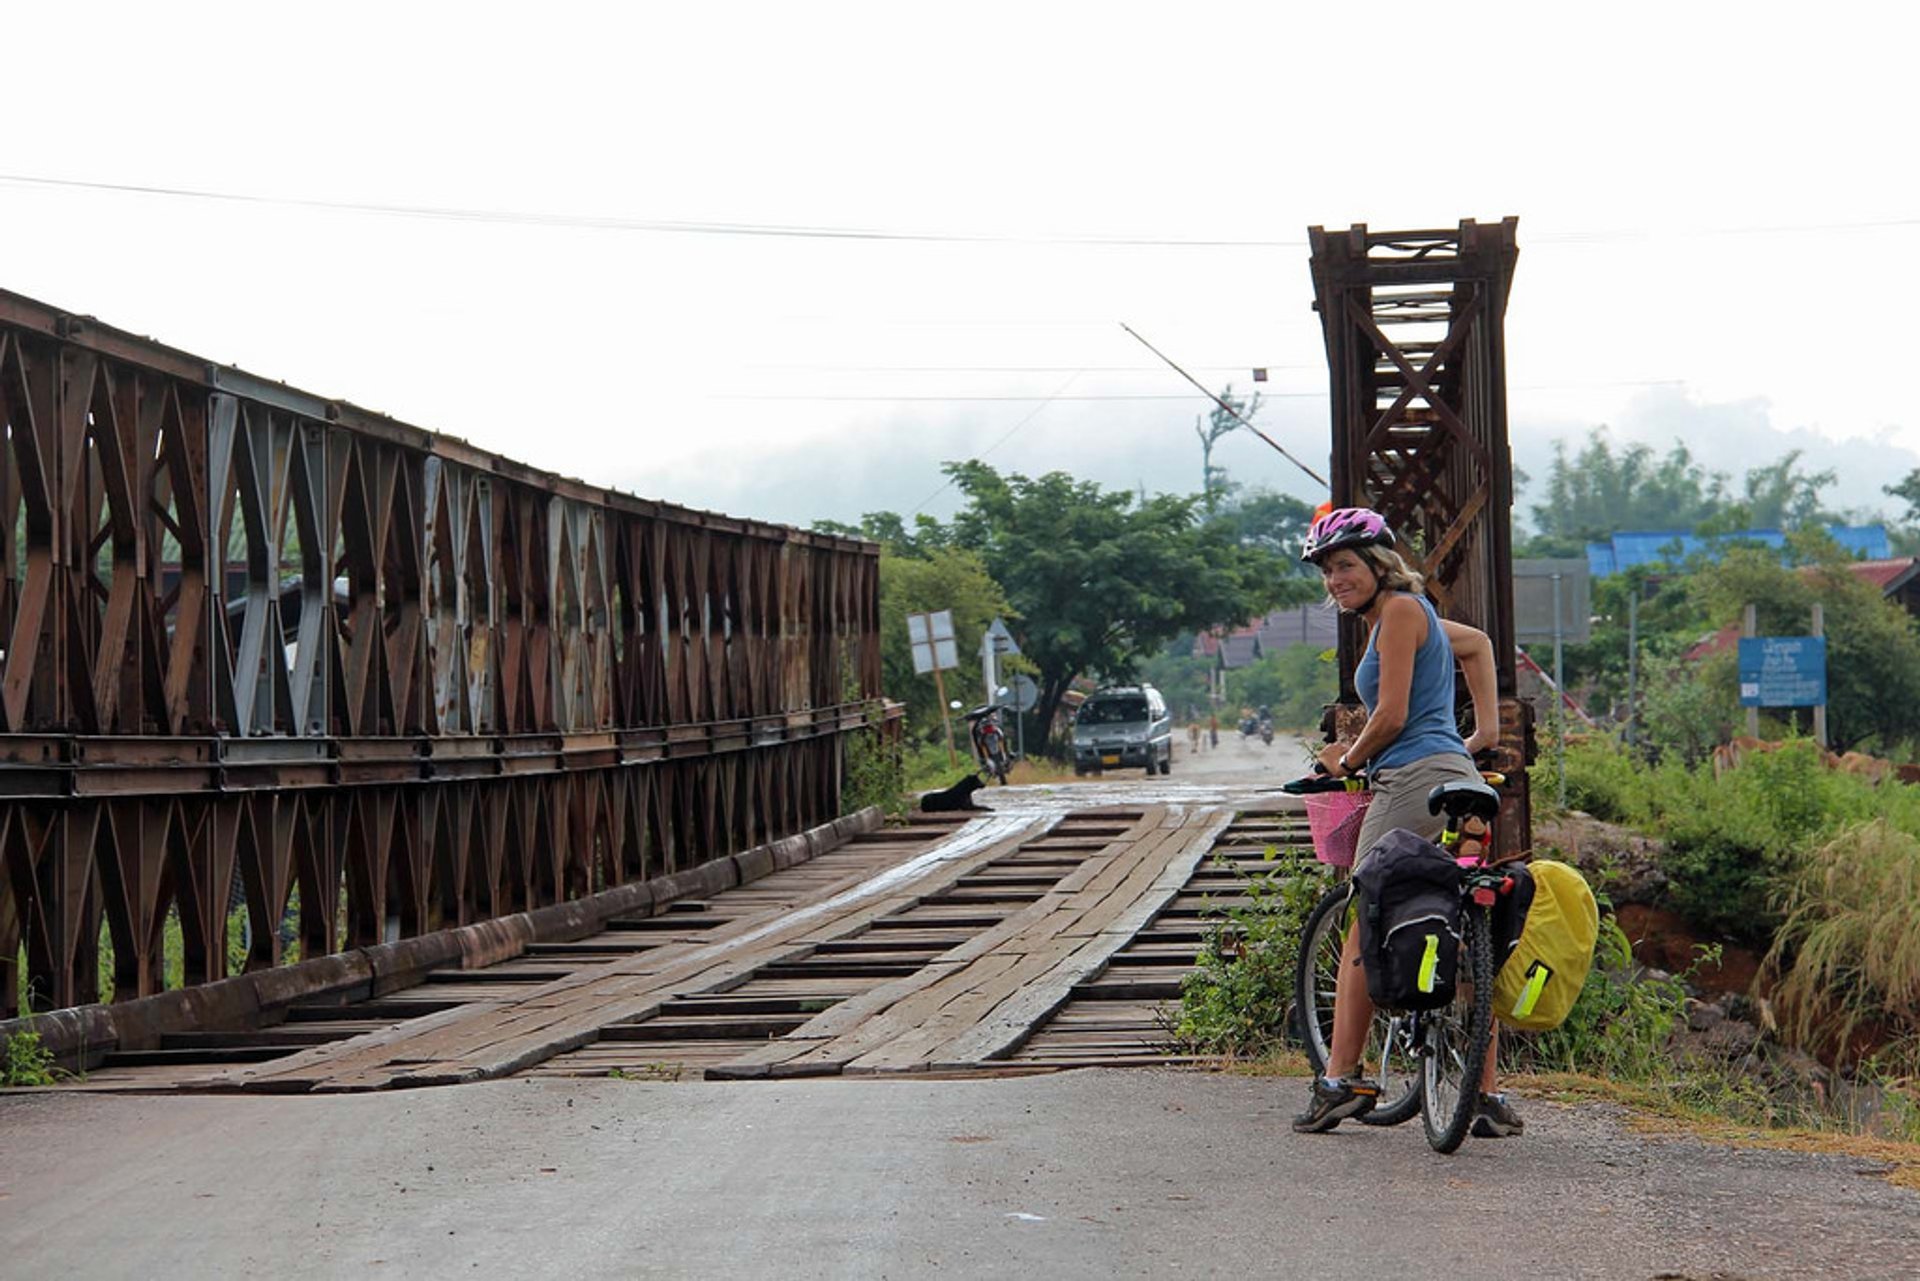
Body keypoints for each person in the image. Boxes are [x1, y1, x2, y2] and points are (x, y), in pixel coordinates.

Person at [1287, 506, 1518, 1137]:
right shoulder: (1413, 615)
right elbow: (1479, 645)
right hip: (1457, 778)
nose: (1335, 580)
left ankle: (1340, 1079)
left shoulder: (1395, 612)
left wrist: (1343, 761)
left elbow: (1388, 717)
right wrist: (1484, 736)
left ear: (1377, 563)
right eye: (1328, 571)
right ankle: (1485, 1096)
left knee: (1367, 916)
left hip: (1412, 778)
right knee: (1462, 927)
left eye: (1345, 566)